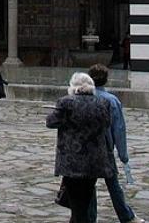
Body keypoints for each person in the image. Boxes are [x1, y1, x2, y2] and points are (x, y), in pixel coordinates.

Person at [46, 72, 115, 223]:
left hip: (72, 161)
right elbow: (107, 123)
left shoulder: (66, 103)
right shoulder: (103, 103)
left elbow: (51, 122)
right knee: (84, 200)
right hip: (94, 161)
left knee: (76, 203)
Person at [88, 64, 145, 223]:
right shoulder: (111, 101)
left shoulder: (84, 98)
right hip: (105, 149)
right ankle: (126, 216)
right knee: (113, 185)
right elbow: (118, 129)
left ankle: (91, 217)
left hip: (88, 149)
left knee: (89, 185)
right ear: (106, 80)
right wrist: (123, 155)